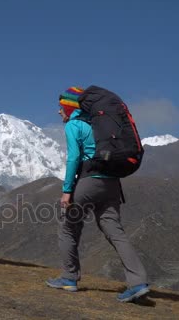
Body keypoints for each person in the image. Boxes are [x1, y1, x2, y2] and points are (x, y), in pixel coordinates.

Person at [45, 87, 150, 302]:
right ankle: (138, 282)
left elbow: (74, 158)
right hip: (111, 183)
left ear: (69, 107)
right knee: (115, 231)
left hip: (88, 181)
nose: (58, 112)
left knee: (68, 227)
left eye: (61, 107)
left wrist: (67, 191)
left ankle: (69, 278)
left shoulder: (75, 125)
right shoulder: (98, 123)